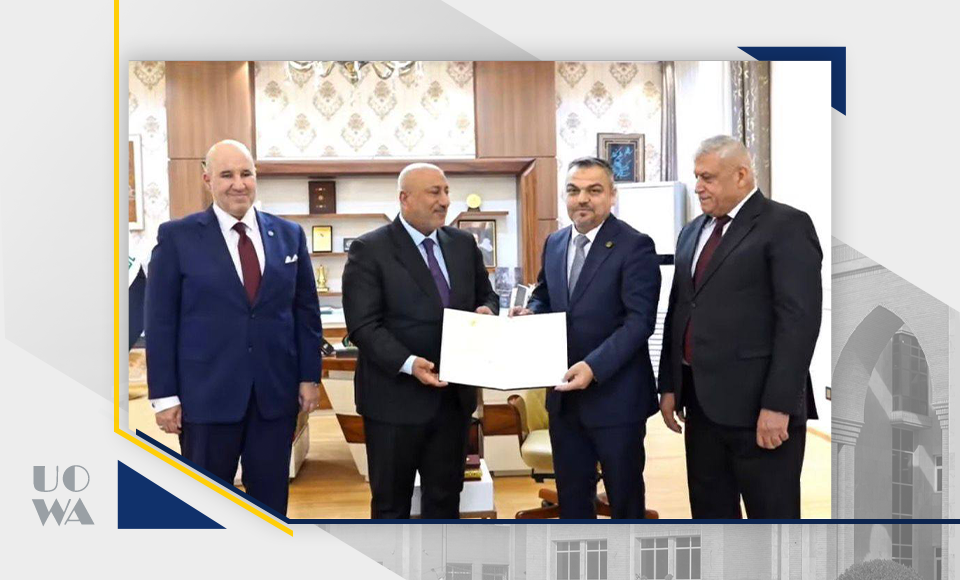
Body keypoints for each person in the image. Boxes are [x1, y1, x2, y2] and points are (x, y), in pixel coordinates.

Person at [145, 140, 322, 515]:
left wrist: (309, 376)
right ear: (208, 179)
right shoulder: (177, 238)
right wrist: (164, 397)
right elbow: (160, 323)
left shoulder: (289, 235)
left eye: (246, 174)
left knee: (270, 504)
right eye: (227, 175)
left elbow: (305, 313)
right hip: (206, 397)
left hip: (274, 397)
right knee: (206, 507)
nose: (238, 184)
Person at [658, 135, 822, 519]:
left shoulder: (786, 225)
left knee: (772, 524)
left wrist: (778, 405)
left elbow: (798, 322)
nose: (698, 187)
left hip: (760, 411)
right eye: (696, 177)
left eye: (708, 178)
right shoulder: (691, 232)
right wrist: (669, 384)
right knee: (712, 519)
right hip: (701, 409)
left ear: (741, 175)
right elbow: (679, 311)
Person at [342, 162, 499, 519]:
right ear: (405, 199)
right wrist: (410, 364)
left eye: (446, 191)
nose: (444, 200)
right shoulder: (370, 249)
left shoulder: (463, 244)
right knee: (391, 506)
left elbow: (487, 295)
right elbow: (363, 326)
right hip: (394, 402)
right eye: (434, 192)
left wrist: (486, 311)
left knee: (445, 502)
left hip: (452, 401)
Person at [512, 157, 660, 518]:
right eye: (573, 190)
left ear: (612, 195)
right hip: (564, 399)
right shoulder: (555, 242)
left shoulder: (635, 245)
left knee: (625, 501)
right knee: (574, 501)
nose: (582, 199)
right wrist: (531, 313)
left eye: (594, 190)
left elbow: (639, 322)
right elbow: (545, 295)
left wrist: (593, 367)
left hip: (616, 399)